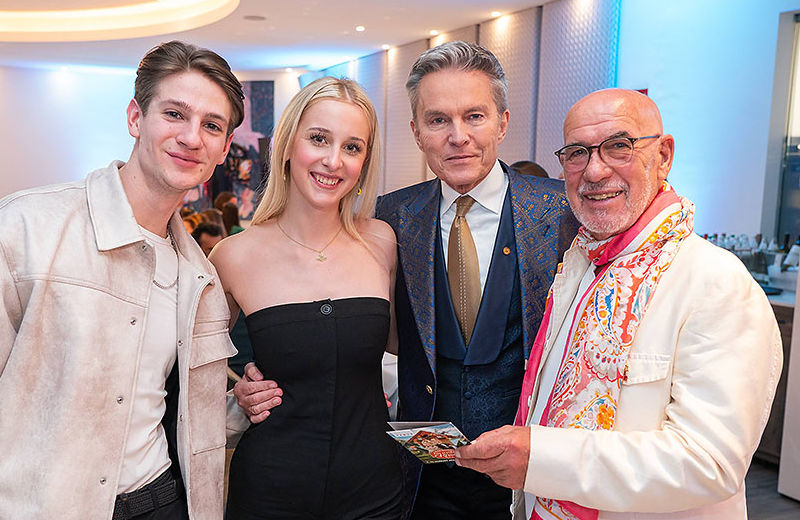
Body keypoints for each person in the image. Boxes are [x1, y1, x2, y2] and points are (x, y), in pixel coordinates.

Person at [454, 88, 782, 520]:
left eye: (619, 146)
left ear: (663, 155)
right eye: (577, 153)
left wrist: (541, 458)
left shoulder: (716, 283)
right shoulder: (581, 267)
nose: (594, 170)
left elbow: (709, 463)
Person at [0, 40, 244, 519]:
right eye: (174, 114)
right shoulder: (28, 227)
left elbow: (177, 411)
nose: (191, 137)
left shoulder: (202, 278)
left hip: (160, 500)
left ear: (223, 149)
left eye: (211, 126)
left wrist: (242, 406)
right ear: (136, 118)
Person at [375, 41, 577, 519]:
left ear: (502, 123)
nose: (458, 136)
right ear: (416, 132)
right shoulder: (391, 217)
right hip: (425, 478)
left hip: (532, 473)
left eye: (474, 116)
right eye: (438, 120)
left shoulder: (562, 211)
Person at [211, 76, 403, 519]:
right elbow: (188, 367)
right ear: (286, 145)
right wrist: (237, 393)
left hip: (374, 491)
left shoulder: (382, 242)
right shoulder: (234, 256)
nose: (333, 161)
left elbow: (406, 352)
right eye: (319, 139)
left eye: (352, 147)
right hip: (270, 491)